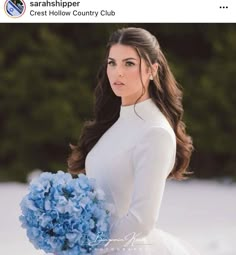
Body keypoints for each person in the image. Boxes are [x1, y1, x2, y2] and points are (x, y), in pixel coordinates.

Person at [68, 27, 200, 255]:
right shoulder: (115, 122)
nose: (117, 72)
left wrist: (85, 245)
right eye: (112, 63)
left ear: (151, 70)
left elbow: (141, 220)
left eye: (129, 63)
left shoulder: (155, 133)